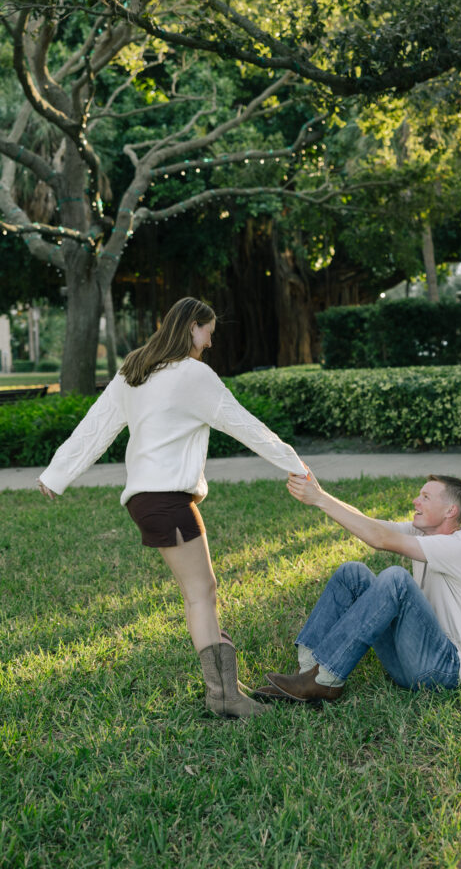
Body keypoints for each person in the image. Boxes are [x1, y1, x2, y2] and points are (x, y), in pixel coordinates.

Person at [37, 296, 308, 720]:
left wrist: (56, 474)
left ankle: (225, 686)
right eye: (209, 334)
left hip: (148, 501)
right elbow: (245, 425)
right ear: (192, 328)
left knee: (199, 592)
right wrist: (296, 464)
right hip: (167, 499)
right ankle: (224, 697)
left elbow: (96, 426)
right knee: (202, 594)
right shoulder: (193, 375)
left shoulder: (134, 369)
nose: (210, 344)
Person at [258, 470, 461, 702]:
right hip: (409, 663)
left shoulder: (459, 548)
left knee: (396, 580)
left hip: (443, 670)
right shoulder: (423, 533)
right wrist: (320, 494)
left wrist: (319, 498)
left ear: (451, 511)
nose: (415, 501)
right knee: (353, 573)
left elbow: (379, 539)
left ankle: (325, 680)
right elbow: (369, 524)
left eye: (426, 497)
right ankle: (307, 671)